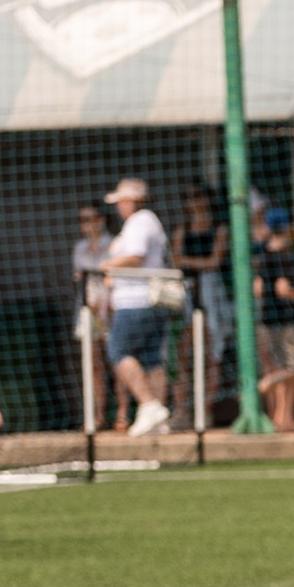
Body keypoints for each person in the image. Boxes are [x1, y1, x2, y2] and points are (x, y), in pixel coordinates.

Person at [100, 177, 174, 435]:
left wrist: (105, 266)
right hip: (147, 300)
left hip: (136, 301)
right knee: (152, 359)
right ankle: (157, 419)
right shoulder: (145, 222)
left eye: (120, 201)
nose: (118, 207)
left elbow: (135, 256)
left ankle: (149, 404)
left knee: (118, 352)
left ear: (130, 201)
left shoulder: (140, 221)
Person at [173, 184, 229, 422]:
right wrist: (197, 264)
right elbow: (175, 262)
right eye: (188, 197)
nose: (193, 202)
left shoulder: (220, 229)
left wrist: (189, 262)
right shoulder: (181, 230)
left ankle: (206, 410)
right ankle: (182, 410)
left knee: (212, 352)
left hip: (212, 295)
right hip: (187, 294)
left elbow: (214, 262)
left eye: (197, 196)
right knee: (184, 354)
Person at [253, 207, 294, 432]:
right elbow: (283, 289)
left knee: (277, 366)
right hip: (284, 320)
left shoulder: (262, 256)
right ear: (287, 228)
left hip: (265, 320)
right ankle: (268, 386)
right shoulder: (284, 256)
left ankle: (281, 419)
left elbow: (257, 289)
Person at [71, 205, 114, 431]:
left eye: (91, 218)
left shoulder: (114, 243)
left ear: (103, 219)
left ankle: (123, 414)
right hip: (87, 308)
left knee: (115, 360)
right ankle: (97, 416)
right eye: (82, 219)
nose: (87, 223)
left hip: (110, 307)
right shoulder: (79, 248)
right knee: (93, 364)